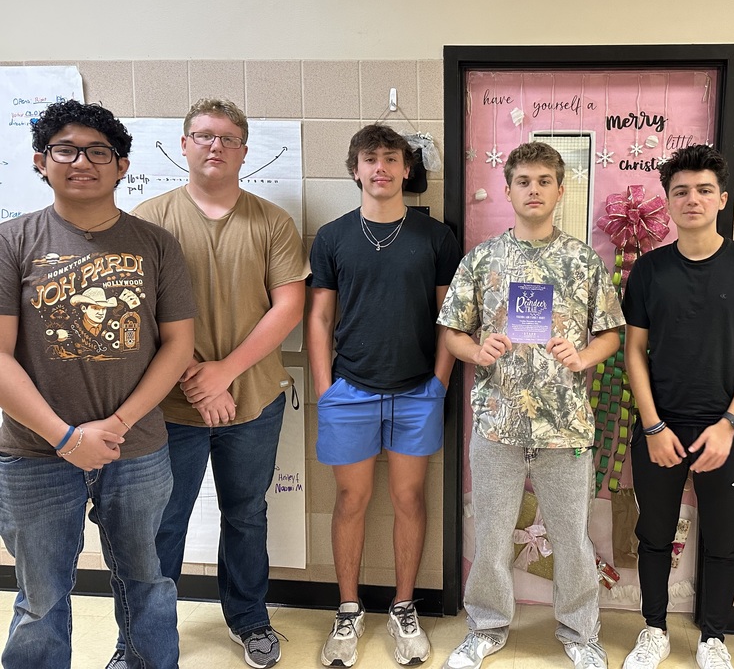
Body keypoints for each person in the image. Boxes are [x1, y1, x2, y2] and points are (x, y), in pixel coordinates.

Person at [110, 98, 308, 669]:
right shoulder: (149, 219)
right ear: (184, 146)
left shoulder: (272, 222)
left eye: (227, 138)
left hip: (255, 402)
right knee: (162, 523)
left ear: (244, 151)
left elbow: (288, 307)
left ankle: (250, 619)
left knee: (246, 515)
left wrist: (224, 373)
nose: (215, 145)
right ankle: (141, 641)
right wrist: (198, 380)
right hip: (168, 408)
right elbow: (137, 312)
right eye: (203, 135)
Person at [0, 100, 196, 669]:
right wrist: (65, 438)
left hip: (136, 449)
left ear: (122, 166)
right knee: (41, 597)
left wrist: (116, 424)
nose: (81, 162)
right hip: (35, 453)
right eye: (65, 150)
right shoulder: (12, 242)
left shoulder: (156, 244)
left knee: (147, 583)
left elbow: (177, 346)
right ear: (41, 161)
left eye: (98, 152)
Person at [438, 141, 624, 669]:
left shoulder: (583, 261)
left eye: (544, 181)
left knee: (573, 539)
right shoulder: (481, 259)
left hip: (565, 428)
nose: (534, 190)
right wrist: (477, 350)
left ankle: (581, 633)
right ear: (508, 190)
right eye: (524, 181)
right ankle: (486, 627)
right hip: (497, 425)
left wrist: (582, 356)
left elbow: (612, 334)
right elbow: (451, 331)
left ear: (560, 191)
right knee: (492, 536)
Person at [621, 145, 734, 669]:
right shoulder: (649, 270)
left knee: (722, 540)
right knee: (653, 535)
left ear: (722, 199)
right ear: (668, 201)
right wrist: (652, 426)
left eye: (704, 190)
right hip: (660, 428)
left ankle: (713, 637)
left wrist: (730, 424)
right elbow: (634, 350)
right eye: (681, 191)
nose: (693, 199)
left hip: (725, 430)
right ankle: (654, 630)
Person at [308, 124, 461, 667]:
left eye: (391, 159)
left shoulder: (436, 237)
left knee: (409, 499)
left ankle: (403, 607)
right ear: (355, 170)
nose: (381, 168)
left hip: (418, 391)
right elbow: (319, 317)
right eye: (370, 159)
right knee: (351, 499)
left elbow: (450, 317)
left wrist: (439, 383)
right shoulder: (332, 236)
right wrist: (325, 389)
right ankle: (348, 609)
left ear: (406, 169)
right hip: (349, 390)